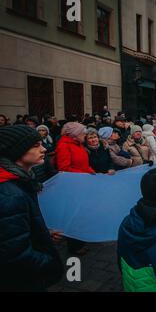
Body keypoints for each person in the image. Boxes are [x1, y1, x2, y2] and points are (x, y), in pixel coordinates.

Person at [0, 125, 63, 291]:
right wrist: (50, 263)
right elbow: (14, 254)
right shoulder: (10, 194)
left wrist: (42, 232)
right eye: (36, 145)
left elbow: (10, 232)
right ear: (16, 151)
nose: (43, 149)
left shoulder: (20, 181)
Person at [55, 122, 93, 255]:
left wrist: (92, 172)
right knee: (74, 216)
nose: (85, 135)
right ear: (74, 135)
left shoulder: (78, 144)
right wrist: (85, 175)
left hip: (82, 183)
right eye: (83, 132)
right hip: (72, 187)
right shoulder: (63, 146)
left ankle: (81, 239)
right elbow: (64, 168)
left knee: (82, 214)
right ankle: (74, 246)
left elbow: (83, 164)